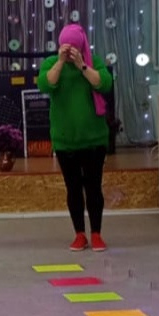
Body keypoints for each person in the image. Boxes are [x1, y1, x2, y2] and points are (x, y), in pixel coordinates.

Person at [37, 23, 113, 252]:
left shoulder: (93, 61)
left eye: (73, 48)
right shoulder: (51, 63)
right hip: (65, 141)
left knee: (93, 187)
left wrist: (82, 65)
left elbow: (104, 84)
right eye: (65, 47)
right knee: (73, 188)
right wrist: (61, 62)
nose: (69, 51)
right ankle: (79, 233)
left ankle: (96, 233)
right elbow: (46, 84)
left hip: (94, 140)